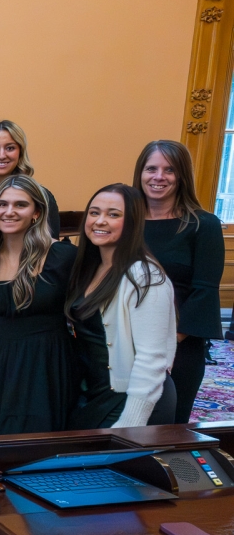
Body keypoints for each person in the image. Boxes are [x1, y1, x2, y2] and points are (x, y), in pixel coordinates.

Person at [0, 175, 77, 436]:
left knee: (36, 440)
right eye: (2, 205)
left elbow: (87, 314)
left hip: (48, 360)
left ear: (37, 213)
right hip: (5, 359)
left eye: (20, 205)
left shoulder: (62, 256)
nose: (9, 212)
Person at [66, 183, 177, 428]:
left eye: (113, 214)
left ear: (133, 223)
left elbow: (152, 359)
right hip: (96, 394)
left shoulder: (145, 276)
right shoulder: (89, 266)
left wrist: (131, 423)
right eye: (94, 213)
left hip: (134, 401)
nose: (100, 221)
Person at [136, 140, 225, 424]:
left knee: (167, 428)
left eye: (169, 170)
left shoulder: (203, 224)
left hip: (177, 347)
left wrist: (165, 345)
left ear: (182, 176)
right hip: (125, 342)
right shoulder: (126, 221)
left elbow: (204, 292)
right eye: (151, 168)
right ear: (140, 173)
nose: (158, 176)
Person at [0, 120, 61, 238]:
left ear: (20, 152)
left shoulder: (41, 196)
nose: (1, 155)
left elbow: (50, 246)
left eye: (10, 148)